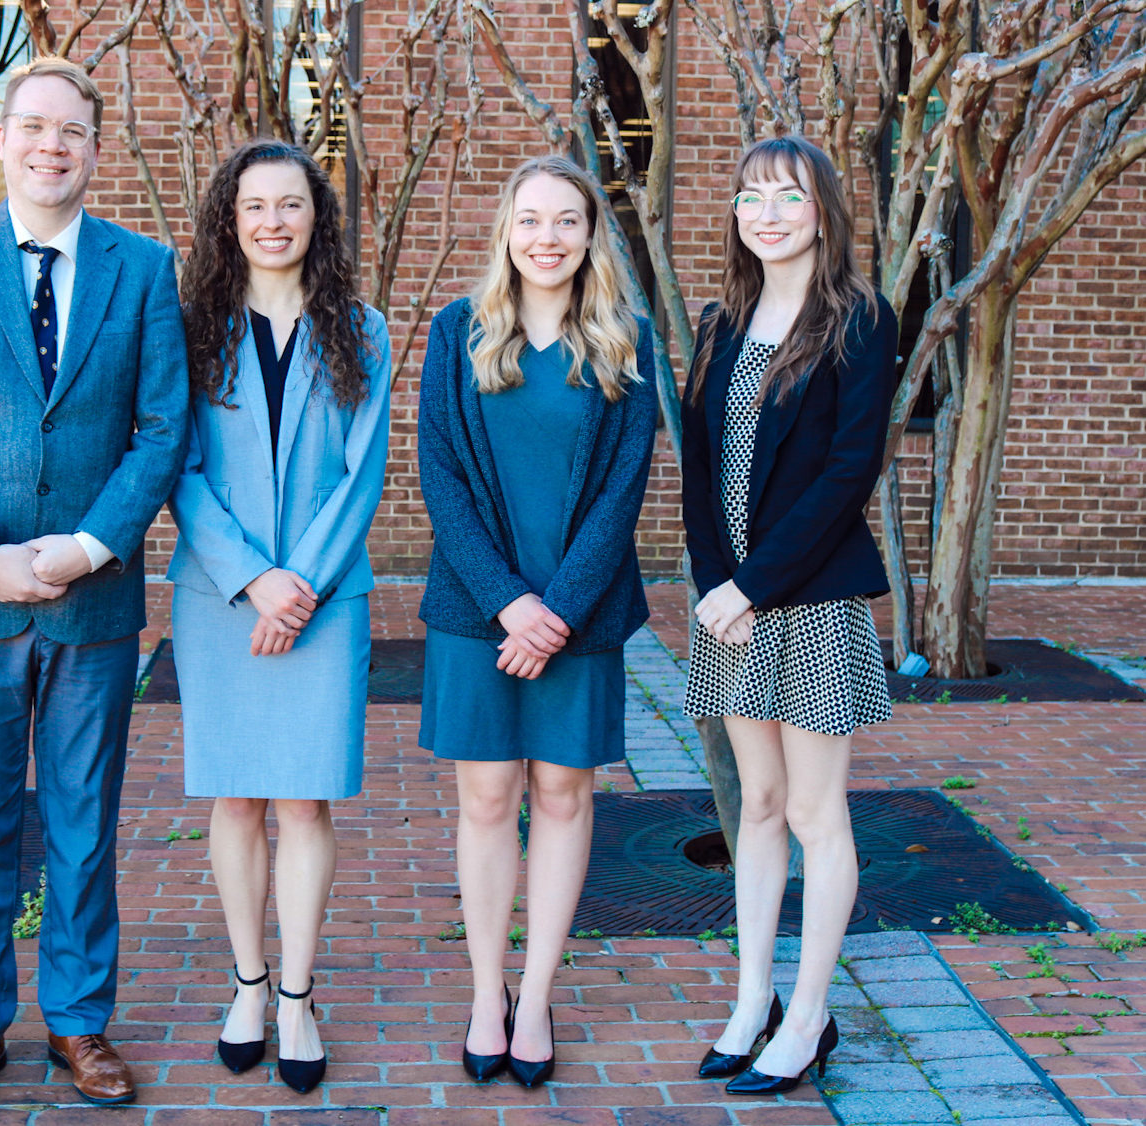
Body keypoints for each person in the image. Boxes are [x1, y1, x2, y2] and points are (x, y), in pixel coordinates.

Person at [0, 57, 189, 1116]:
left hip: (92, 599)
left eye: (72, 131)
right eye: (33, 127)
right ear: (3, 136)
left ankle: (77, 1023)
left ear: (94, 148)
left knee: (82, 823)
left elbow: (161, 427)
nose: (51, 146)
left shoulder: (142, 267)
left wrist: (92, 544)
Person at [417, 155, 657, 1088]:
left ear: (591, 234)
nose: (546, 239)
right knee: (484, 801)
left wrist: (553, 611)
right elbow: (440, 472)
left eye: (565, 221)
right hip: (477, 614)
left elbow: (622, 492)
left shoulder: (623, 340)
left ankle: (538, 989)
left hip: (581, 616)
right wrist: (509, 603)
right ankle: (487, 992)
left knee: (562, 796)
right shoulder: (456, 331)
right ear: (504, 231)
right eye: (529, 220)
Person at [167, 139, 392, 1094]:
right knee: (236, 797)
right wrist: (253, 581)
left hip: (325, 599)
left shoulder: (362, 330)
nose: (271, 221)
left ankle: (297, 997)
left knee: (302, 800)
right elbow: (176, 468)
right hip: (221, 602)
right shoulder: (190, 328)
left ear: (316, 219)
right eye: (253, 205)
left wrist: (296, 582)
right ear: (229, 219)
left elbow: (364, 471)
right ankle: (249, 985)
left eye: (290, 204)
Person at [680, 134, 896, 1095]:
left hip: (806, 601)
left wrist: (752, 585)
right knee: (753, 810)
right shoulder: (721, 320)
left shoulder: (858, 319)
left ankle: (808, 1017)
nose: (766, 214)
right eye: (750, 197)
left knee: (812, 811)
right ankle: (749, 1001)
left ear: (822, 214)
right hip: (728, 605)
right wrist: (713, 583)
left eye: (787, 197)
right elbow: (696, 468)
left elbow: (849, 471)